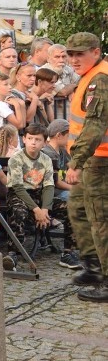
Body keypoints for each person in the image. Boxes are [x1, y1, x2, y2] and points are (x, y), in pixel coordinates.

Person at [63, 32, 108, 302]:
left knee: (100, 218)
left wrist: (76, 162)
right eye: (70, 54)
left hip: (99, 160)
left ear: (95, 51)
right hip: (91, 158)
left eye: (79, 53)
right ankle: (93, 266)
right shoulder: (91, 74)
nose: (74, 59)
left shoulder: (100, 78)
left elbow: (94, 126)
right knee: (77, 208)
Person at [4, 124, 56, 270]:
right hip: (19, 194)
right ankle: (13, 252)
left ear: (44, 142)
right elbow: (18, 187)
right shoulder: (16, 159)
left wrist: (45, 208)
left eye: (38, 139)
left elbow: (49, 185)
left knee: (70, 208)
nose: (33, 142)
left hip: (39, 194)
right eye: (30, 138)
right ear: (24, 139)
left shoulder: (46, 160)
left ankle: (68, 251)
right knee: (18, 211)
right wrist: (36, 210)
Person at [41, 119, 79, 270]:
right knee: (77, 203)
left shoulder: (63, 152)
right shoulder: (48, 154)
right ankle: (71, 249)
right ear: (59, 135)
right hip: (54, 195)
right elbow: (56, 182)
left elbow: (71, 174)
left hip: (64, 190)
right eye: (68, 135)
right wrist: (76, 189)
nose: (71, 139)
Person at [0, 72, 26, 147]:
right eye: (6, 84)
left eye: (10, 84)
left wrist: (22, 105)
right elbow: (19, 125)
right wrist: (17, 106)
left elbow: (23, 124)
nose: (10, 87)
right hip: (4, 148)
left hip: (12, 145)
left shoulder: (4, 103)